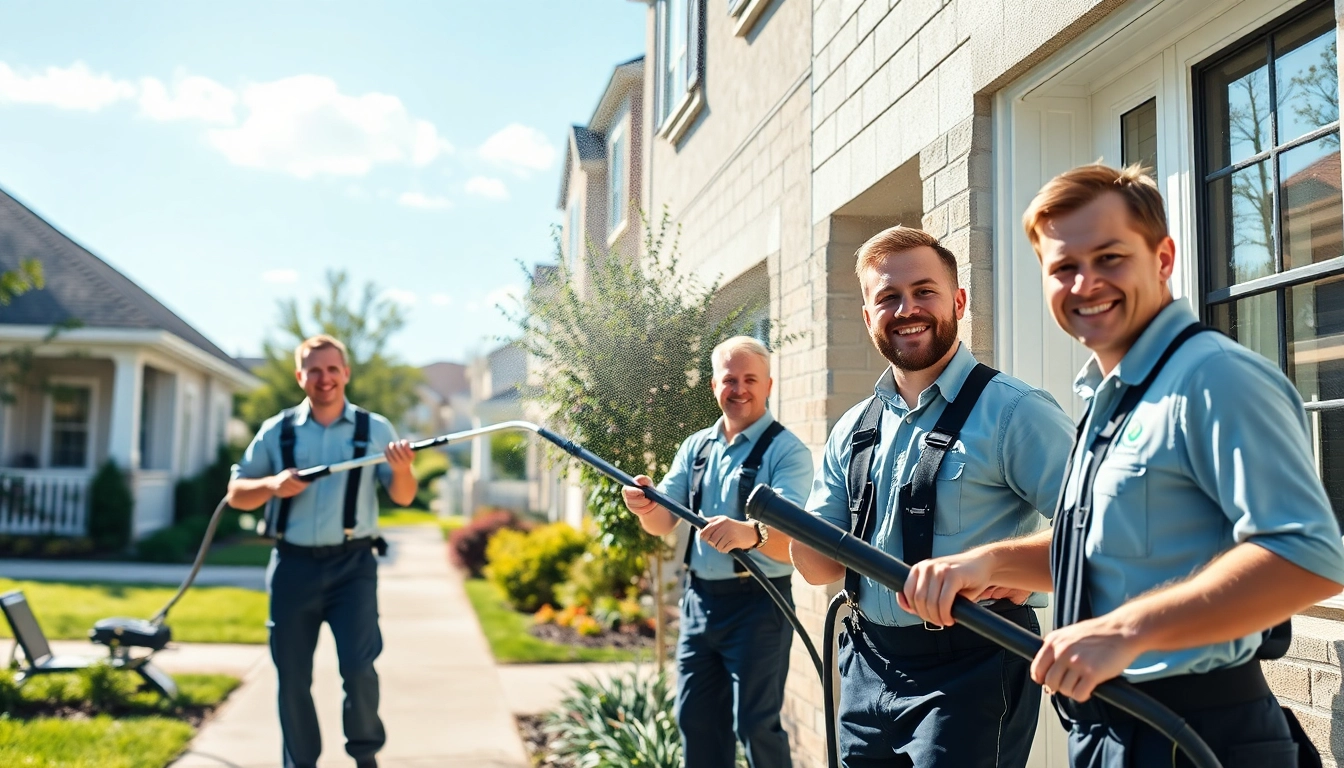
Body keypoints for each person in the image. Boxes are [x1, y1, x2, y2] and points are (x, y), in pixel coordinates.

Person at [899, 164, 1344, 766]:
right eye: (1063, 268)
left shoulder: (1215, 378)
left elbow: (1308, 559)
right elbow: (1107, 548)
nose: (1085, 283)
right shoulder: (1114, 394)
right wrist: (989, 561)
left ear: (1163, 258)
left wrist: (1126, 631)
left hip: (1196, 734)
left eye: (1109, 257)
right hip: (1115, 733)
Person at [791, 225, 1076, 768]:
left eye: (924, 291)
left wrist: (1011, 567)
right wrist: (773, 527)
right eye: (888, 297)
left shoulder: (1016, 412)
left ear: (959, 301)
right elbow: (816, 565)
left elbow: (1099, 529)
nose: (907, 308)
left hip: (973, 664)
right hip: (865, 664)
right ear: (869, 316)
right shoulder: (852, 428)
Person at [620, 335, 813, 768]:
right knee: (696, 720)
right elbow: (662, 522)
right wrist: (643, 505)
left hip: (760, 607)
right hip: (698, 603)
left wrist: (751, 533)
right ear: (714, 386)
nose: (739, 389)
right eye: (730, 379)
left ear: (768, 385)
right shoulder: (697, 447)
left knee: (755, 725)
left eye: (750, 379)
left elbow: (796, 545)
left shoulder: (788, 453)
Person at [228, 334, 417, 768]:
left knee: (359, 669)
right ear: (300, 377)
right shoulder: (277, 432)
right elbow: (237, 493)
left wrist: (402, 469)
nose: (324, 378)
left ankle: (365, 757)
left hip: (354, 567)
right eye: (314, 370)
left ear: (346, 374)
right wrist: (271, 485)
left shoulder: (376, 430)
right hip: (293, 567)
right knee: (293, 677)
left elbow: (403, 496)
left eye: (332, 369)